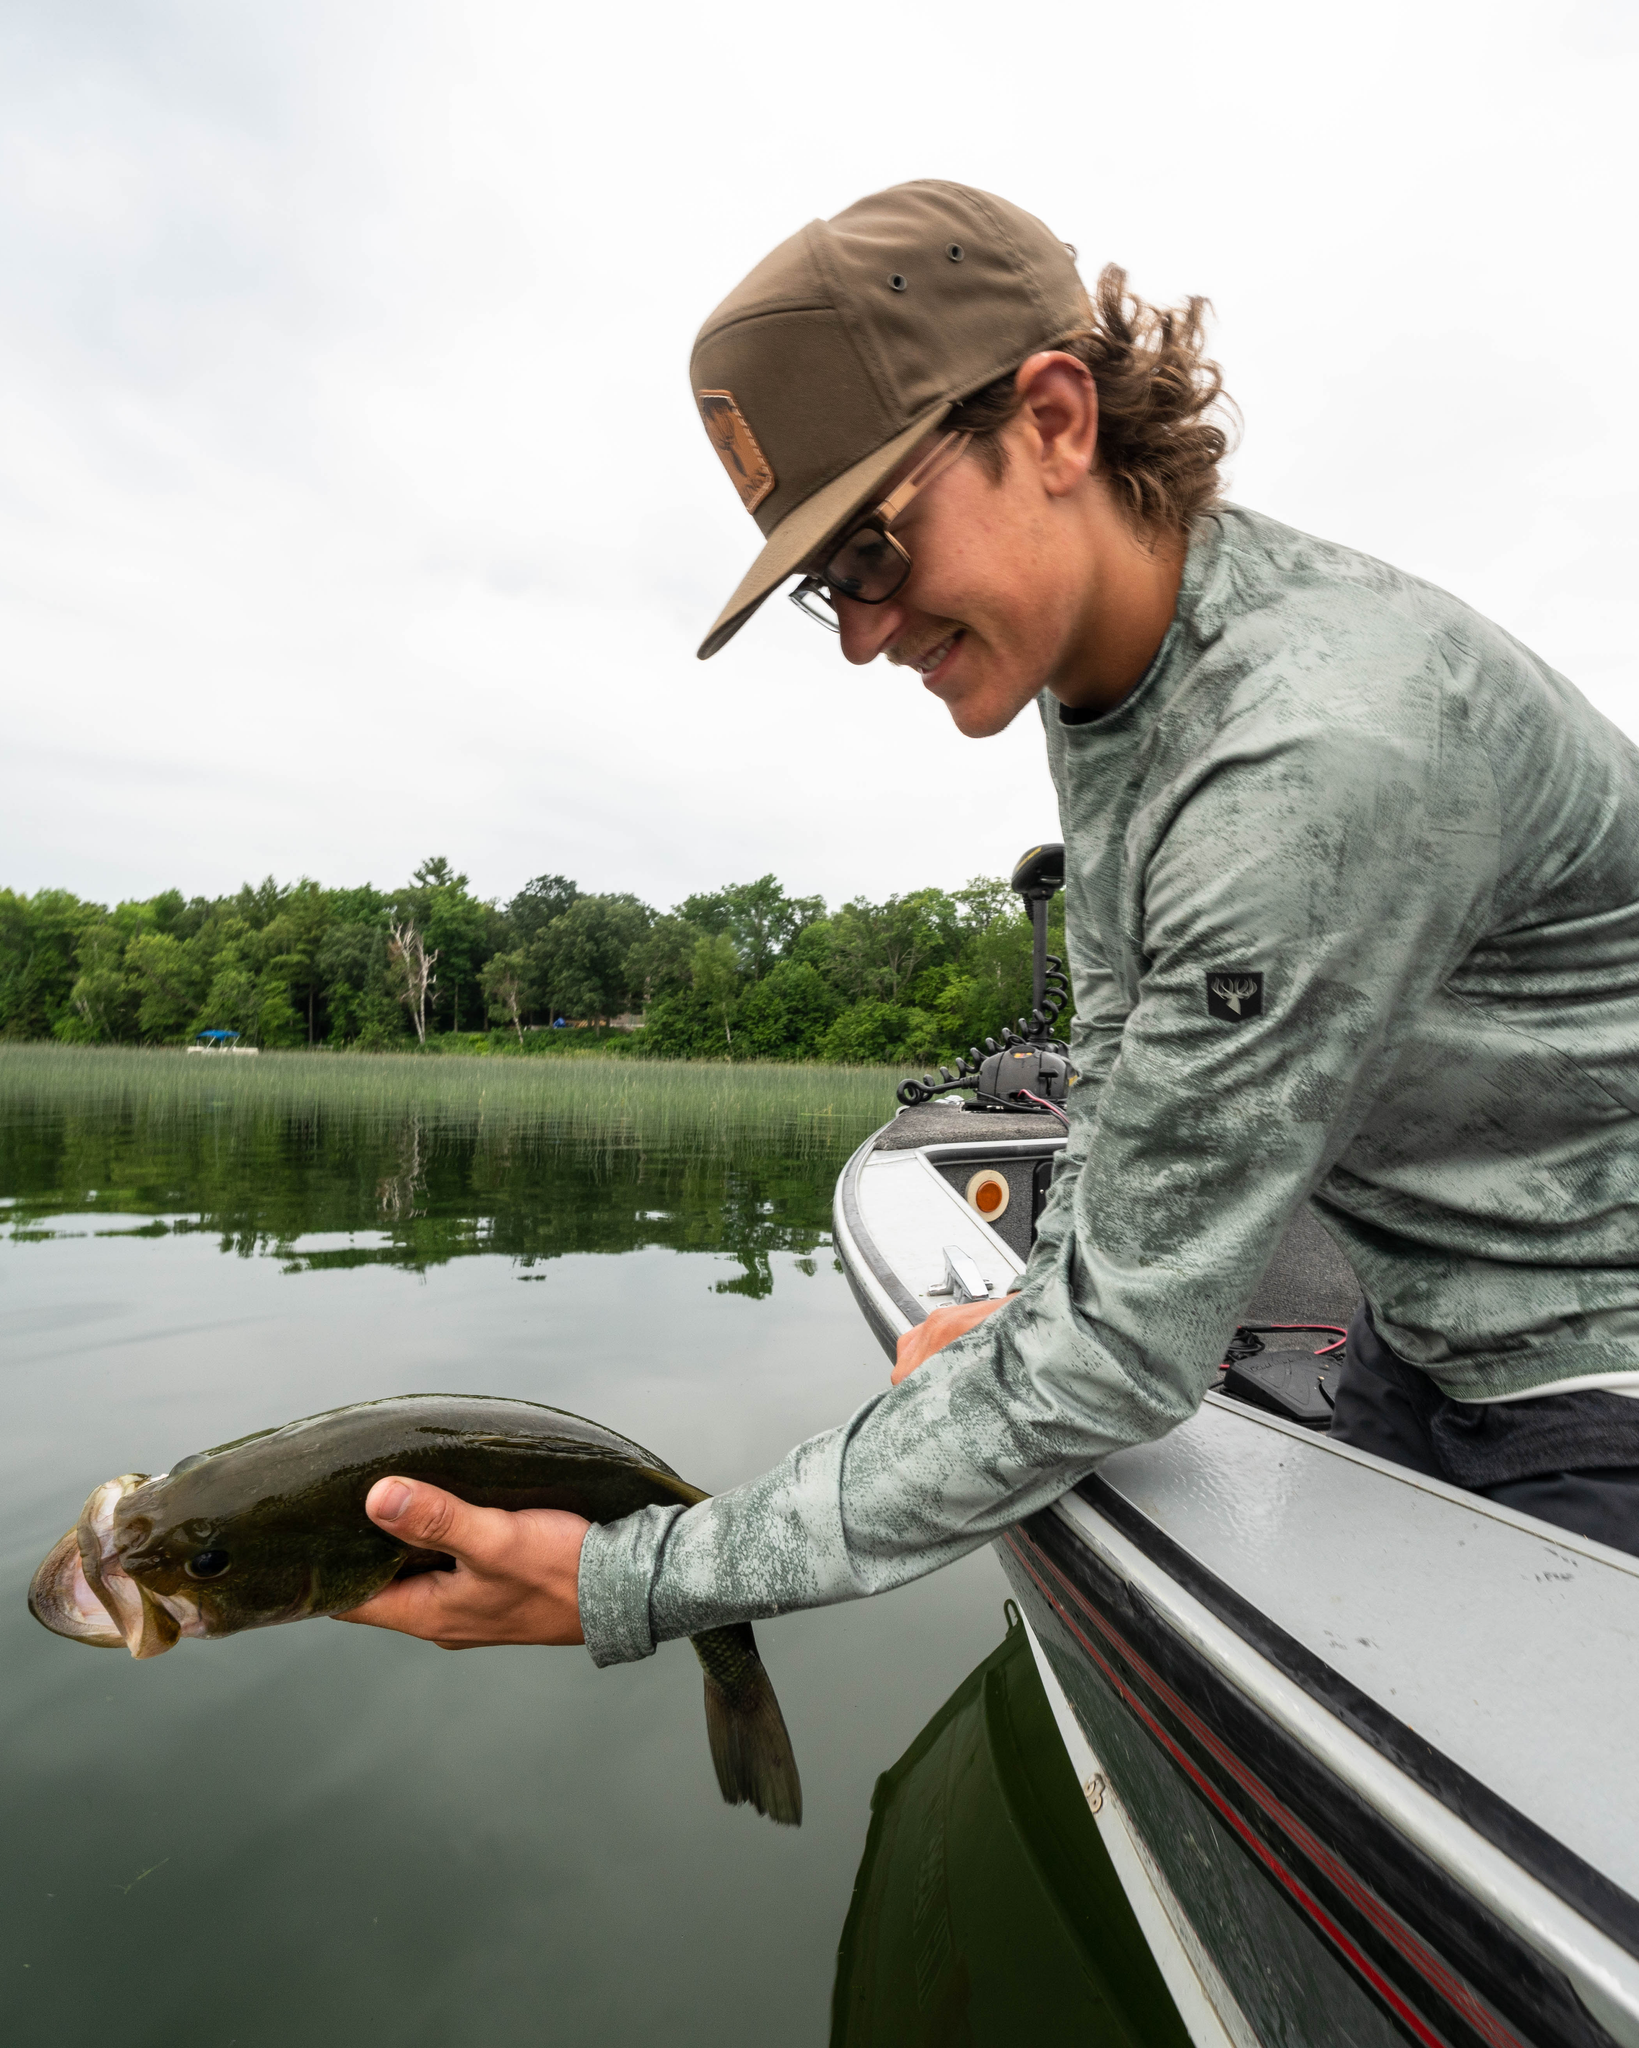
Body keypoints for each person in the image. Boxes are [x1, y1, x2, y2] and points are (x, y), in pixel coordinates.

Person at [339, 179, 1639, 1665]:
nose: (863, 636)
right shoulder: (1112, 681)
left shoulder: (1306, 754)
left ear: (1056, 423)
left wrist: (632, 1576)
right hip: (1430, 1335)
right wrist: (1044, 1304)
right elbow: (1119, 1048)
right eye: (825, 589)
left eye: (873, 555)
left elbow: (1118, 1357)